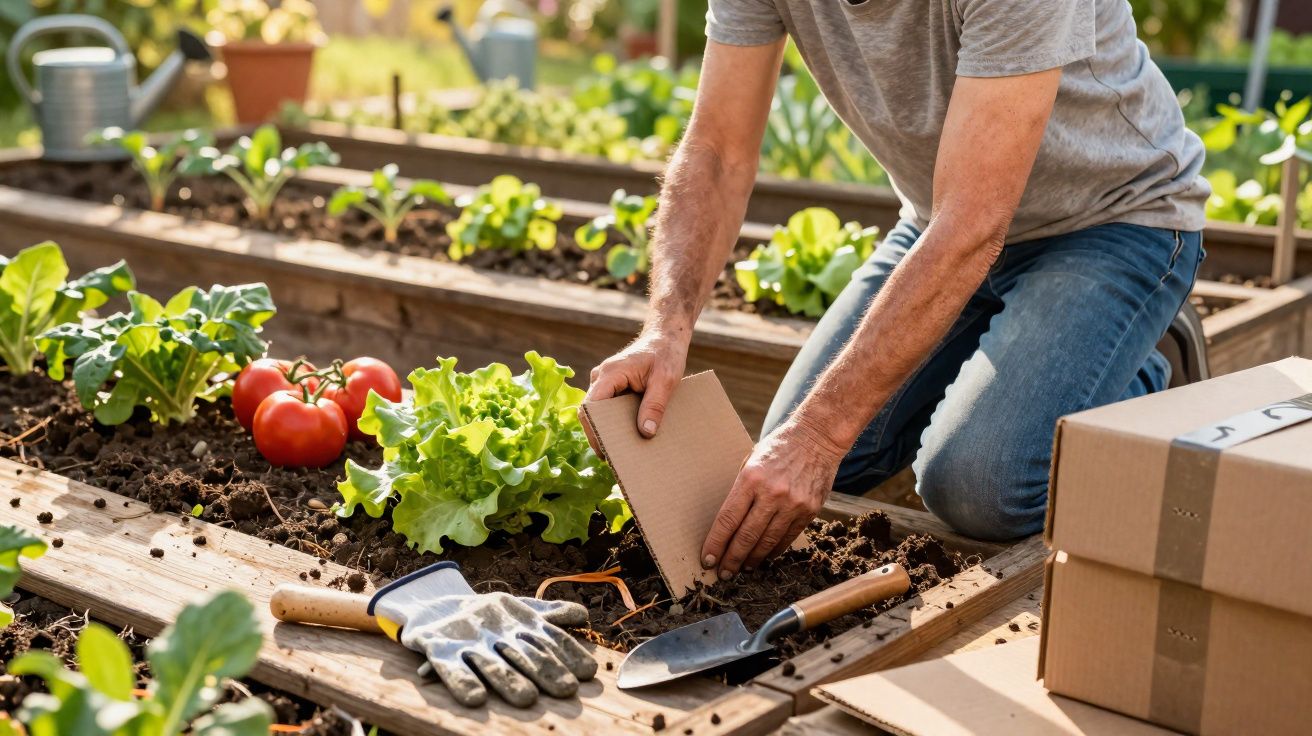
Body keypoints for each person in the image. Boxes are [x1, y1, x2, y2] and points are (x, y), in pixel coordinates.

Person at [585, 0, 1207, 579]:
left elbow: (974, 225)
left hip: (1113, 219)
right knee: (811, 462)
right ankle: (1031, 363)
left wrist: (818, 435)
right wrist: (665, 328)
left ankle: (1141, 371)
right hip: (939, 222)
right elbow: (718, 150)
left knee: (978, 488)